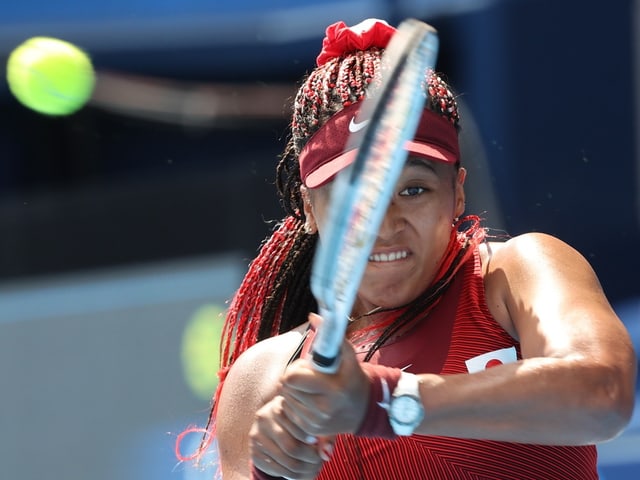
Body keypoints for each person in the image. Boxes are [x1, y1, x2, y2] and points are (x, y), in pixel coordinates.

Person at [178, 18, 637, 479]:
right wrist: (269, 473)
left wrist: (387, 402)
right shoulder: (262, 379)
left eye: (413, 190)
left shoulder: (517, 272)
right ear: (309, 207)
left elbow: (604, 394)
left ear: (457, 193)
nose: (386, 223)